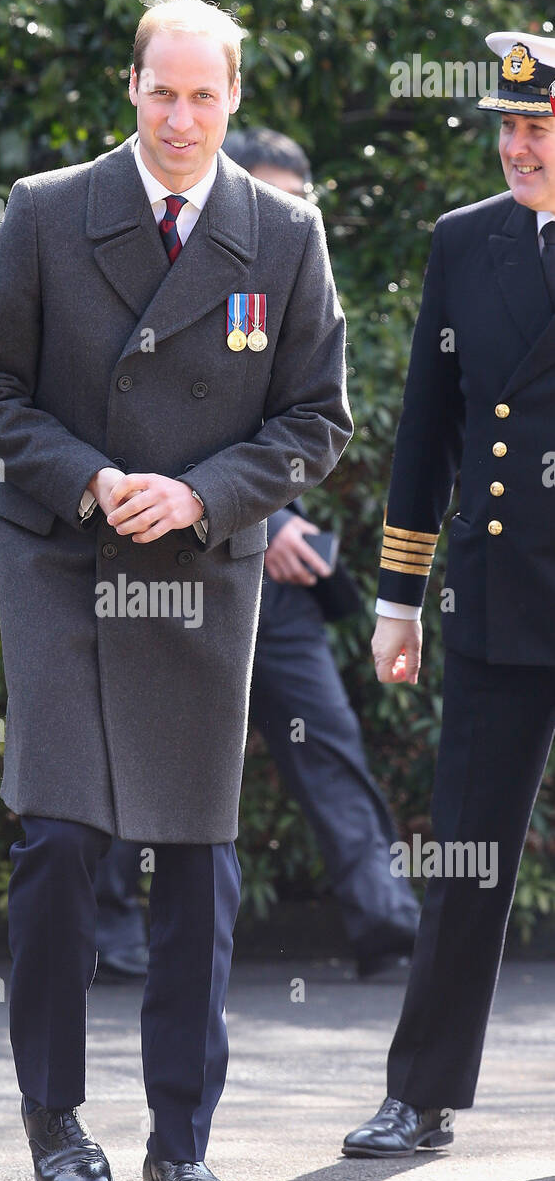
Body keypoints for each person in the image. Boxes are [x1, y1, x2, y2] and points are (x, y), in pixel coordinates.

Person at [0, 0, 352, 1181]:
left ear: (235, 97)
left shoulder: (283, 235)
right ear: (132, 87)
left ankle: (181, 1134)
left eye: (205, 96)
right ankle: (54, 1109)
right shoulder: (49, 211)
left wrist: (206, 493)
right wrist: (99, 478)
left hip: (198, 567)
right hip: (65, 555)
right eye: (162, 92)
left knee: (196, 852)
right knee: (62, 835)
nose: (182, 118)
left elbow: (316, 420)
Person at [93, 129, 419, 983]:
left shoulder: (297, 276)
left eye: (295, 200)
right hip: (173, 560)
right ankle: (110, 927)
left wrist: (281, 523)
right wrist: (264, 526)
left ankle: (386, 922)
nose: (280, 214)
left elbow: (305, 424)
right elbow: (152, 416)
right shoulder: (171, 269)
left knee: (328, 743)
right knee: (150, 742)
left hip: (274, 578)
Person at [343, 31, 555, 1158]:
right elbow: (428, 428)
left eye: (541, 125)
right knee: (468, 855)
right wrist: (397, 600)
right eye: (509, 126)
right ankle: (420, 1093)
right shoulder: (464, 243)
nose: (520, 145)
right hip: (497, 595)